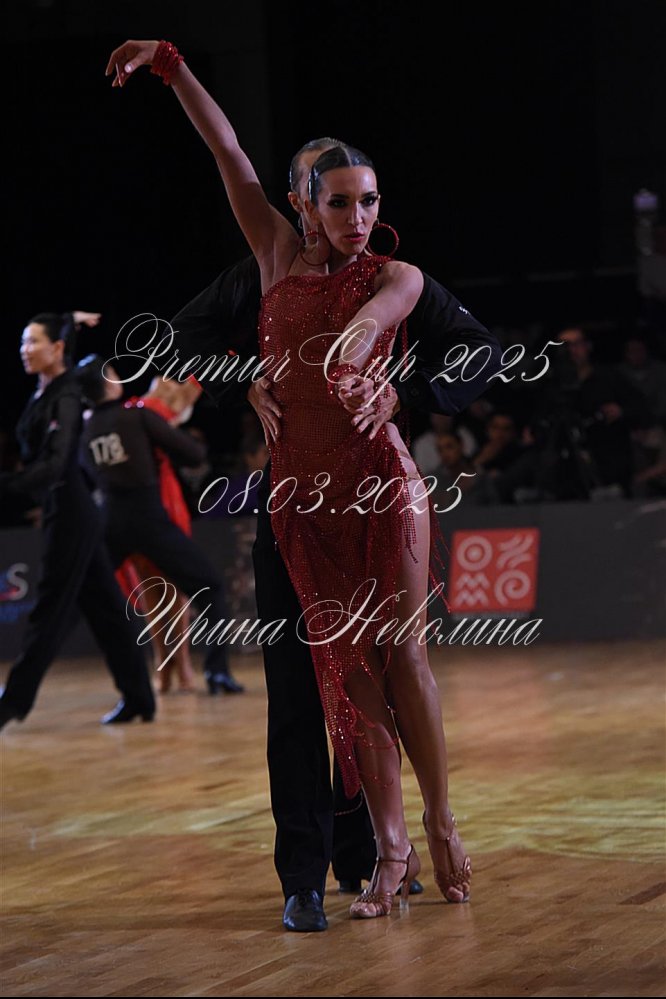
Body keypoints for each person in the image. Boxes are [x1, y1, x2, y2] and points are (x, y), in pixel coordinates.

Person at [105, 40, 499, 928]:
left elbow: (396, 324)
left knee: (399, 661)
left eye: (370, 201)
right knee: (331, 683)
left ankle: (426, 831)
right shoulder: (270, 258)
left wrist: (393, 377)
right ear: (305, 205)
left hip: (378, 488)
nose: (359, 217)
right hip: (297, 502)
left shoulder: (397, 275)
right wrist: (171, 66)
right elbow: (227, 153)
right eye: (341, 201)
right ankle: (352, 862)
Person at [0, 312, 155, 731]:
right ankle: (139, 698)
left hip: (71, 512)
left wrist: (7, 485)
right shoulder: (46, 390)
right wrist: (69, 317)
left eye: (33, 341)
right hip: (66, 509)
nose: (25, 349)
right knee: (106, 610)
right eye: (23, 341)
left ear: (57, 349)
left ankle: (11, 703)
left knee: (49, 609)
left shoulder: (67, 397)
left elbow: (54, 465)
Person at [77, 356, 244, 696]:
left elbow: (84, 473)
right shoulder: (141, 413)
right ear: (110, 383)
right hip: (151, 513)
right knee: (196, 589)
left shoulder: (86, 429)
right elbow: (193, 453)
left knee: (91, 595)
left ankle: (151, 677)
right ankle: (208, 671)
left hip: (111, 519)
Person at [115, 375, 202, 694]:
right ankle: (167, 664)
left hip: (161, 495)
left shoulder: (151, 406)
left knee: (170, 586)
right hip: (147, 496)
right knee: (151, 588)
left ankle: (177, 664)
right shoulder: (144, 408)